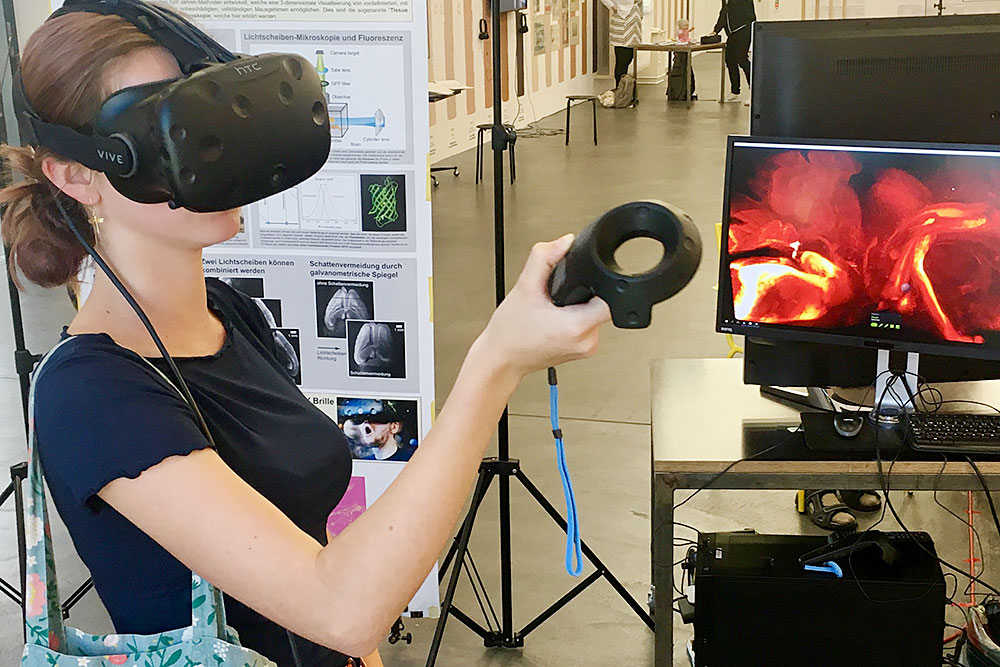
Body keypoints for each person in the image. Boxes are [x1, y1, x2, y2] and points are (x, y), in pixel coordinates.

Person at [0, 10, 611, 667]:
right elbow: (340, 606)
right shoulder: (91, 395)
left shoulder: (230, 315)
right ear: (76, 174)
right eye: (171, 131)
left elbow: (333, 591)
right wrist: (495, 360)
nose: (217, 153)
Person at [711, 0, 755, 101]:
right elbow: (724, 13)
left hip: (744, 30)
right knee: (730, 60)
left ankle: (754, 92)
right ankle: (735, 91)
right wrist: (715, 30)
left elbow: (751, 16)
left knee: (742, 60)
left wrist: (751, 29)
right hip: (732, 34)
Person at [602, 0, 646, 88]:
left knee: (630, 56)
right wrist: (612, 6)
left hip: (634, 21)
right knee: (622, 59)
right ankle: (619, 87)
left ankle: (624, 88)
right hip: (622, 19)